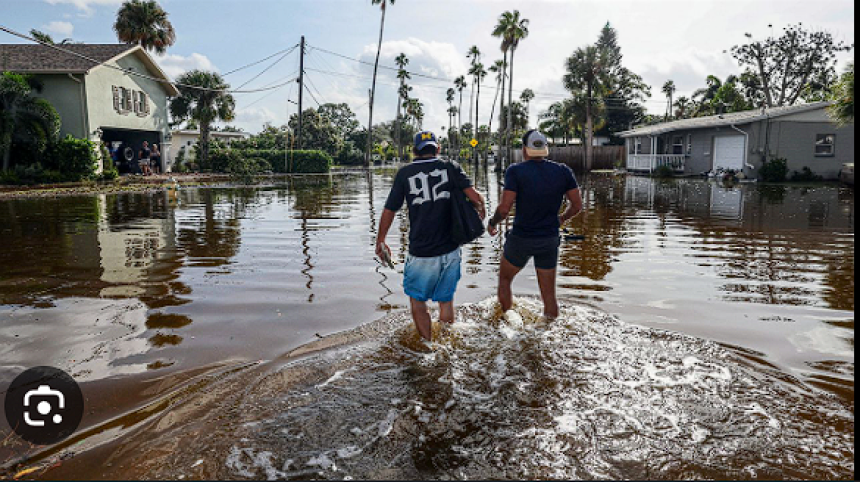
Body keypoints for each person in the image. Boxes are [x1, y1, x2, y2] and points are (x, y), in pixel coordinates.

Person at [376, 131, 486, 340]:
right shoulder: (450, 166)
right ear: (437, 148)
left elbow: (390, 210)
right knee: (446, 301)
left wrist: (381, 239)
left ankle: (428, 348)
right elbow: (475, 197)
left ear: (415, 150)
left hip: (421, 252)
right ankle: (446, 342)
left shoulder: (405, 174)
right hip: (450, 249)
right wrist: (481, 209)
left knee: (418, 302)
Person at [487, 129, 583, 319]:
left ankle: (507, 323)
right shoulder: (563, 171)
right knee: (549, 297)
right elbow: (577, 205)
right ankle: (549, 327)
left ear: (525, 149)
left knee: (505, 279)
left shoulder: (515, 171)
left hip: (521, 238)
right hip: (549, 239)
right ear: (545, 148)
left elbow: (504, 209)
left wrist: (492, 222)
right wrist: (561, 219)